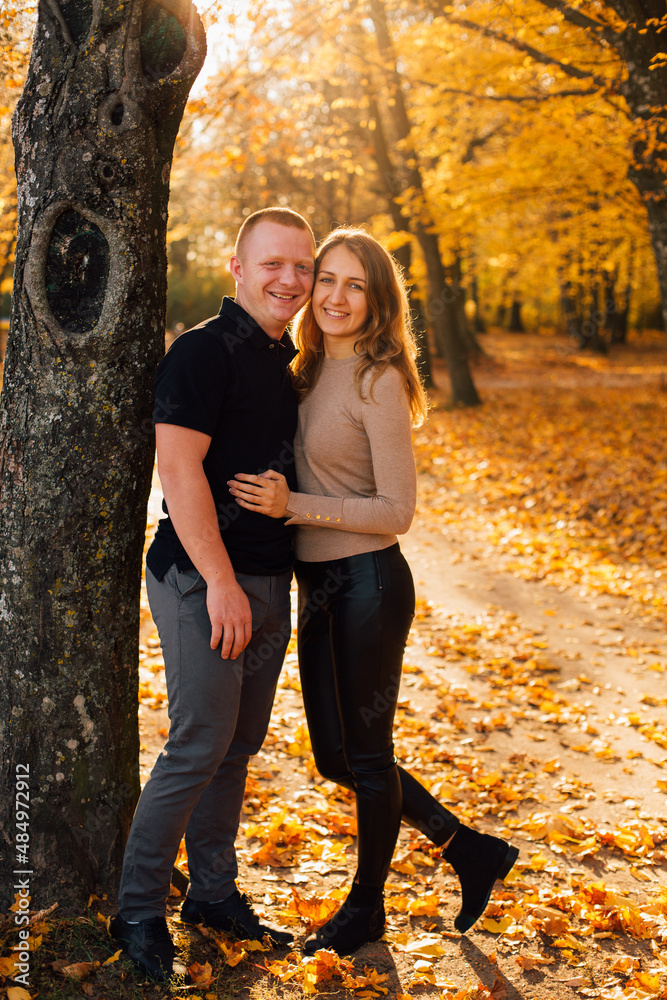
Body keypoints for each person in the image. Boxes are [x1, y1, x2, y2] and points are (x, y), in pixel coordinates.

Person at [229, 228, 519, 957]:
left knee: (364, 754)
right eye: (327, 279)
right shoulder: (303, 366)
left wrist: (291, 503)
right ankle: (467, 848)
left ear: (378, 299)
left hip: (368, 582)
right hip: (319, 582)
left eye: (355, 285)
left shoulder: (377, 379)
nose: (334, 296)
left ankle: (367, 908)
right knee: (334, 756)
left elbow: (397, 511)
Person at [110, 207, 316, 982]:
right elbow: (178, 470)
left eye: (301, 266)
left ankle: (213, 895)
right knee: (199, 741)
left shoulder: (280, 358)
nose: (289, 280)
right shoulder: (202, 352)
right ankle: (136, 909)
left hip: (268, 576)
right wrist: (223, 583)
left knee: (236, 746)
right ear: (237, 267)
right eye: (273, 264)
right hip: (203, 576)